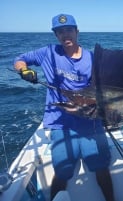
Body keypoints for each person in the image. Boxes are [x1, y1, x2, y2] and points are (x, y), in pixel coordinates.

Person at [14, 14, 115, 201]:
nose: (65, 34)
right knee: (63, 171)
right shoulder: (47, 52)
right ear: (56, 35)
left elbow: (101, 91)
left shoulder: (92, 59)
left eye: (69, 30)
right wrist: (24, 70)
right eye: (60, 31)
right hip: (60, 123)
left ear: (77, 31)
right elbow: (20, 59)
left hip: (90, 121)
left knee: (101, 167)